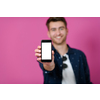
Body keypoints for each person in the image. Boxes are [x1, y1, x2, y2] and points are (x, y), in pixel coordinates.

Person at [35, 17, 92, 84]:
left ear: (67, 31)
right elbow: (48, 67)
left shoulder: (80, 55)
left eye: (61, 28)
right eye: (53, 30)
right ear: (49, 33)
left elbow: (87, 81)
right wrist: (49, 64)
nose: (58, 33)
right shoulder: (45, 54)